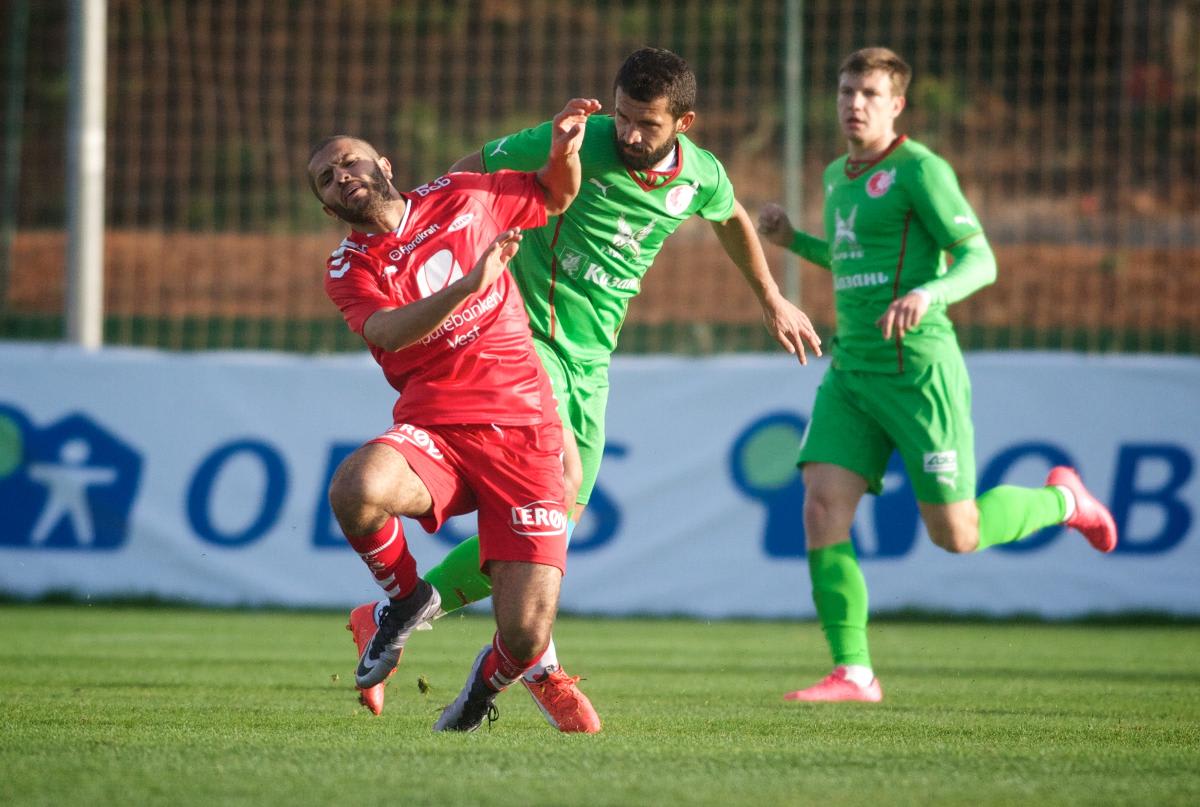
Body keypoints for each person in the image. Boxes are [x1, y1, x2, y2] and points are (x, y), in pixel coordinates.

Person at [345, 47, 824, 729]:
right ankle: (536, 666)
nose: (629, 133)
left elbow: (730, 217)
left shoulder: (701, 175)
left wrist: (772, 298)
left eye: (647, 124)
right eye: (624, 116)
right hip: (522, 340)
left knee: (555, 524)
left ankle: (398, 620)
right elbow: (468, 173)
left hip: (591, 361)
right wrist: (436, 242)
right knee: (557, 486)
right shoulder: (576, 139)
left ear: (683, 123)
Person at [756, 47, 1118, 703]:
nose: (854, 103)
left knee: (957, 535)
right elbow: (855, 260)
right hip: (853, 372)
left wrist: (929, 293)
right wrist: (793, 242)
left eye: (870, 93)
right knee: (820, 506)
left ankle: (1065, 501)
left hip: (918, 373)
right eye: (845, 91)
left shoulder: (921, 170)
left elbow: (980, 259)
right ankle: (854, 671)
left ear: (897, 104)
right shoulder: (837, 174)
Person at [308, 96, 602, 731]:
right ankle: (405, 600)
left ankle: (480, 691)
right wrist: (469, 284)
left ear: (385, 164)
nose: (343, 175)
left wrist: (564, 152)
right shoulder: (348, 266)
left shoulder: (463, 195)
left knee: (524, 636)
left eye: (350, 161)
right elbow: (387, 332)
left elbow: (555, 195)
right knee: (355, 487)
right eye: (327, 179)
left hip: (526, 429)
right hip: (438, 428)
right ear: (329, 208)